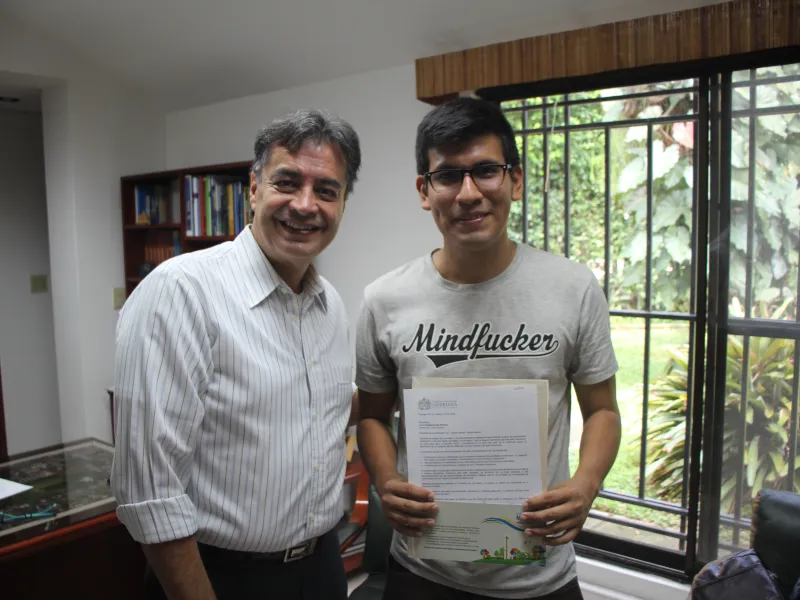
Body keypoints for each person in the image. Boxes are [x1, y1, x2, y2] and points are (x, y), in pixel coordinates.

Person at [355, 97, 621, 599]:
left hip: (538, 575)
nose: (468, 193)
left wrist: (586, 483)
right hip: (422, 570)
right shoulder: (384, 299)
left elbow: (602, 410)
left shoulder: (573, 288)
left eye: (485, 171)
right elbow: (371, 415)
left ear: (514, 180)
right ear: (424, 190)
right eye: (447, 176)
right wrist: (387, 480)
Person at [110, 108, 361, 600]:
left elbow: (323, 404)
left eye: (326, 190)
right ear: (253, 187)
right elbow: (150, 489)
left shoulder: (329, 304)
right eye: (287, 182)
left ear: (342, 204)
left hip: (322, 568)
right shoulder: (181, 291)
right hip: (221, 576)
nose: (305, 205)